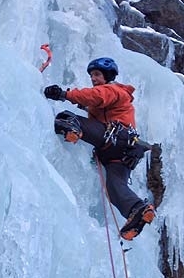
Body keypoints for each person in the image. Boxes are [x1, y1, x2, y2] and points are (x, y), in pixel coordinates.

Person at [44, 57, 155, 240]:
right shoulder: (114, 98)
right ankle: (137, 210)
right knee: (114, 187)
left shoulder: (113, 90)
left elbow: (95, 97)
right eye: (91, 75)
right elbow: (92, 104)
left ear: (108, 75)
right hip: (122, 152)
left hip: (113, 138)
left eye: (96, 74)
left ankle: (73, 130)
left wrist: (63, 94)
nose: (93, 78)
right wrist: (76, 101)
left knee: (65, 117)